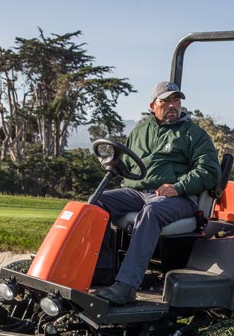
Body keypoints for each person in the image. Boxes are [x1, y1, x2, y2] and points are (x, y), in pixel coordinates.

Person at [94, 81, 221, 305]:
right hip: (138, 193)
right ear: (153, 105)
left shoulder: (194, 134)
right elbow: (127, 166)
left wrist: (178, 187)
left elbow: (209, 171)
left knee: (151, 212)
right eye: (166, 101)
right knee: (96, 203)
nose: (172, 105)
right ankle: (103, 271)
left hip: (180, 198)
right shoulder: (140, 131)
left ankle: (126, 286)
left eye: (176, 101)